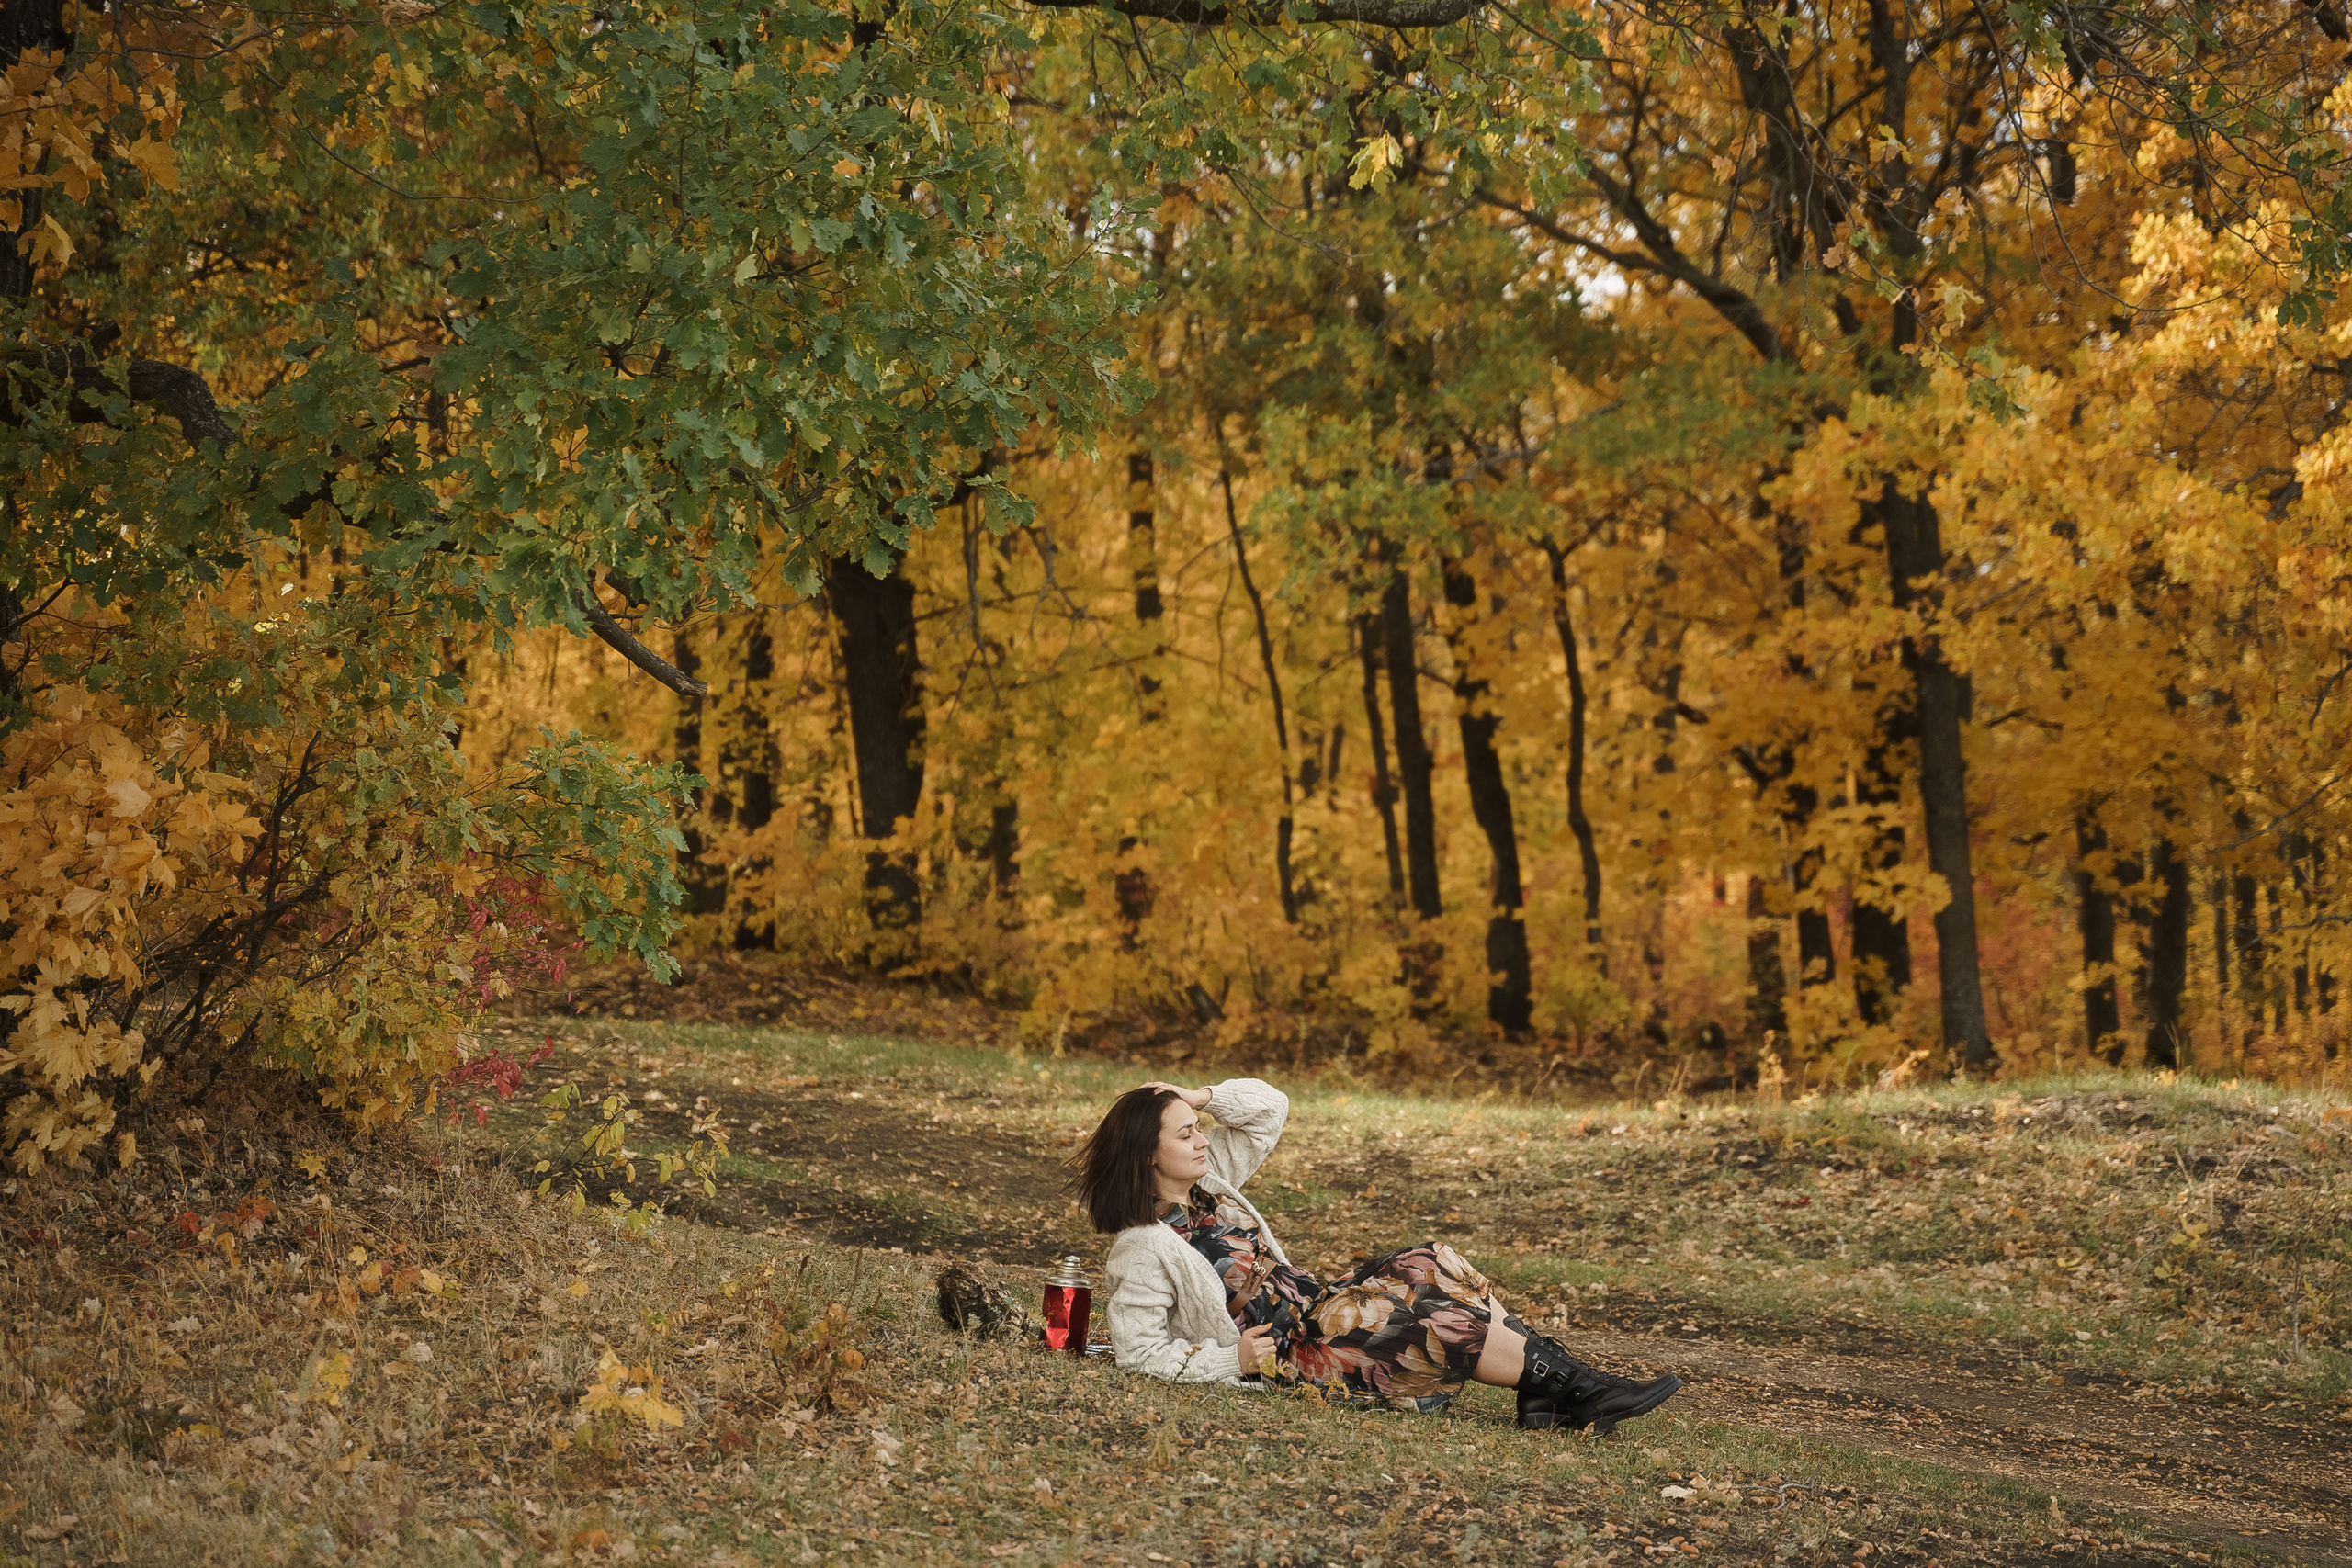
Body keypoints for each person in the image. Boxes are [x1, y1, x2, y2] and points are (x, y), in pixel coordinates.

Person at [1071, 1077, 1681, 1433]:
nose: (1203, 1137)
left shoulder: (1210, 1185)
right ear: (1145, 1154)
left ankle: (1556, 1388)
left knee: (1429, 1259)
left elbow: (1268, 1109)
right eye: (1185, 1133)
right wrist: (1231, 1359)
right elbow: (1138, 1353)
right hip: (1295, 1352)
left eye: (1198, 1124)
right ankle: (1571, 1387)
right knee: (1436, 1319)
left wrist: (1195, 1093)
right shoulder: (1143, 1245)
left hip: (1321, 1308)